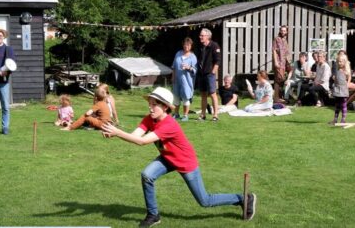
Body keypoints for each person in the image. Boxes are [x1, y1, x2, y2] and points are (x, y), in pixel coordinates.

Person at [101, 87, 256, 227]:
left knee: (205, 201)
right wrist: (115, 134)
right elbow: (136, 135)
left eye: (154, 104)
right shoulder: (149, 119)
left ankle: (243, 198)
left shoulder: (169, 124)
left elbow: (142, 142)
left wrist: (117, 132)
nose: (150, 107)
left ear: (165, 107)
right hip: (168, 158)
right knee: (147, 175)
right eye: (150, 103)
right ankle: (153, 215)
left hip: (184, 162)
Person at [196, 28, 220, 121]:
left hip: (209, 74)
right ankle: (203, 115)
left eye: (202, 35)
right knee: (203, 95)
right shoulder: (200, 46)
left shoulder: (214, 45)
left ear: (208, 36)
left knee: (213, 94)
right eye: (200, 35)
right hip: (201, 74)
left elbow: (218, 60)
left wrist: (213, 71)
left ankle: (215, 115)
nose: (200, 37)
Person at [171, 37, 197, 121]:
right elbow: (174, 66)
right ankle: (176, 114)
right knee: (176, 98)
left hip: (187, 81)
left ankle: (185, 115)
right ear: (183, 45)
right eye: (185, 45)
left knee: (186, 97)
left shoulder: (193, 57)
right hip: (177, 80)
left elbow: (195, 70)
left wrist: (189, 68)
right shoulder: (178, 54)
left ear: (191, 46)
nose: (186, 46)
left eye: (188, 45)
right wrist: (173, 77)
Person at [272, 25, 292, 102]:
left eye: (284, 31)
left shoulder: (285, 40)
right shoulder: (276, 39)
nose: (283, 32)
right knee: (279, 79)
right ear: (280, 31)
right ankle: (276, 98)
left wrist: (289, 63)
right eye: (282, 30)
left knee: (281, 79)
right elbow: (274, 50)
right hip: (278, 62)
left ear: (286, 32)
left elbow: (286, 53)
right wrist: (276, 62)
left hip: (284, 63)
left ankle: (277, 97)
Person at [330, 54, 351, 124]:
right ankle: (335, 119)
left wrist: (348, 83)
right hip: (337, 88)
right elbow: (336, 78)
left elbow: (349, 76)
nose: (339, 63)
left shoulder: (346, 70)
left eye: (341, 62)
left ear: (344, 62)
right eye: (338, 61)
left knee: (343, 104)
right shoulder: (337, 69)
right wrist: (334, 79)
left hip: (343, 89)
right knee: (337, 104)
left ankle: (343, 119)